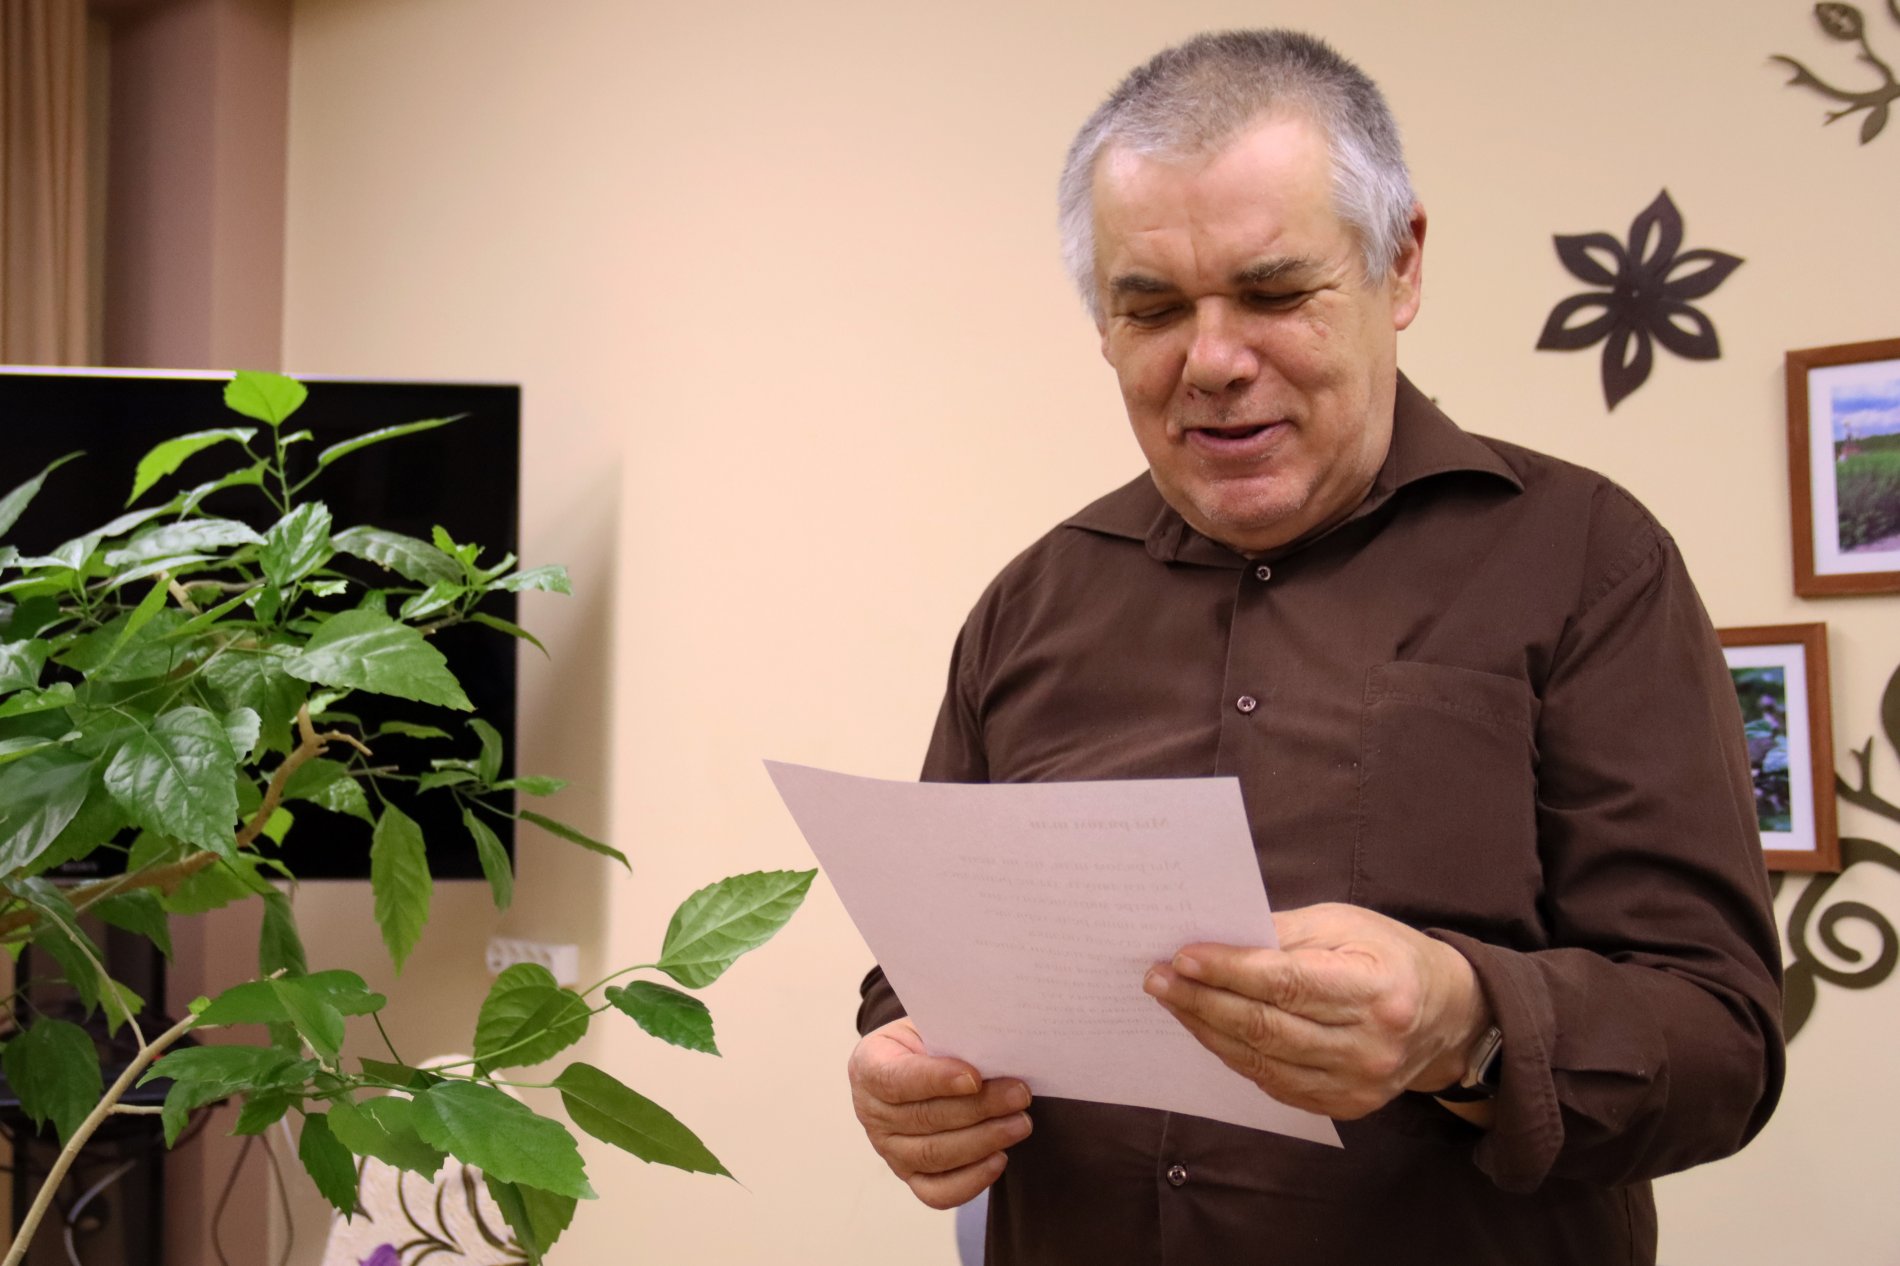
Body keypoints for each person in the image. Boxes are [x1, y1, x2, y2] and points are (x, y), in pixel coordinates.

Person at [847, 29, 1783, 1266]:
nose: (1212, 362)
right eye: (1152, 309)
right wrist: (902, 1072)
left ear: (1399, 266)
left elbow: (1722, 1040)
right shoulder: (1030, 602)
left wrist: (1465, 1025)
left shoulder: (1588, 561)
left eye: (1276, 294)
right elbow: (925, 973)